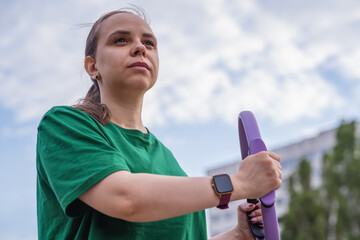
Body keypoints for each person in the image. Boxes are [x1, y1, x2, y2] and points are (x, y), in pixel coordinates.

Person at [36, 7, 282, 240]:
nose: (139, 48)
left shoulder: (166, 159)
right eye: (121, 40)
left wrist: (239, 234)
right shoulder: (63, 125)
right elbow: (126, 199)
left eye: (149, 43)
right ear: (93, 66)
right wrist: (240, 182)